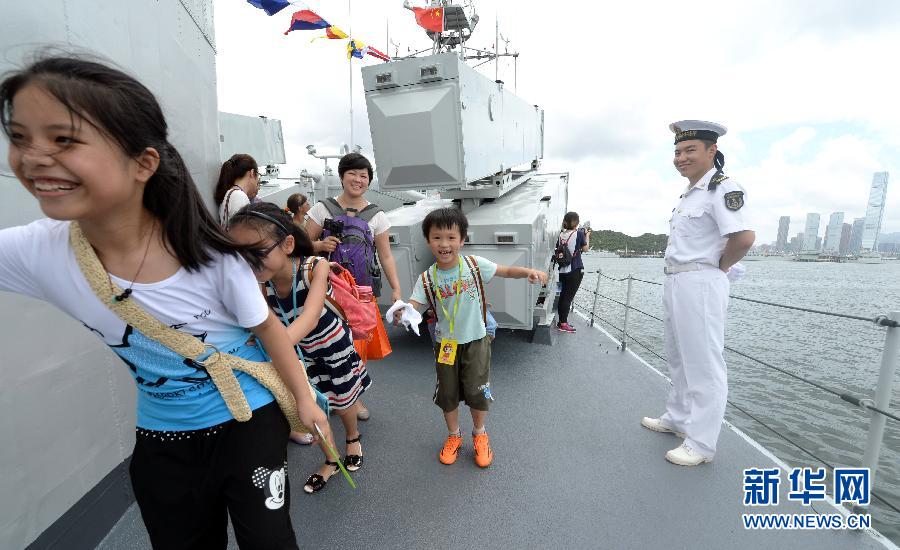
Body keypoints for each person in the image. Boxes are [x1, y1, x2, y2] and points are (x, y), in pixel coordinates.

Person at [0, 56, 331, 547]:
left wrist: (305, 400)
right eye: (20, 137)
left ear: (144, 163)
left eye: (63, 138)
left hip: (249, 419)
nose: (33, 157)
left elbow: (268, 331)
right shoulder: (38, 253)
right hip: (163, 434)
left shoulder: (214, 257)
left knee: (269, 541)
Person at [228, 202, 371, 494]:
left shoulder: (315, 267)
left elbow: (308, 318)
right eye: (241, 255)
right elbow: (261, 322)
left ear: (288, 243)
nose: (250, 261)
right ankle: (331, 459)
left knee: (342, 398)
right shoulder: (260, 283)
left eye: (258, 250)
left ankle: (352, 437)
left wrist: (274, 346)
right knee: (314, 403)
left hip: (331, 345)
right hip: (299, 354)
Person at [393, 208, 547, 468]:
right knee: (448, 394)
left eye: (451, 237)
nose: (444, 244)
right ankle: (454, 436)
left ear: (462, 240)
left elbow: (506, 271)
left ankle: (479, 433)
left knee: (477, 393)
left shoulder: (474, 265)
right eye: (437, 237)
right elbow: (413, 305)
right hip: (445, 345)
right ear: (428, 241)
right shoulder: (426, 278)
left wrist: (528, 272)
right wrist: (402, 314)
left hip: (476, 341)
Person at [641, 120, 755, 466]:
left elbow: (744, 237)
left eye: (690, 150)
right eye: (677, 151)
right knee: (678, 354)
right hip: (677, 279)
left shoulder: (723, 188)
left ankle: (702, 444)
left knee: (704, 363)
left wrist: (718, 268)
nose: (681, 157)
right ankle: (678, 417)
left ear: (712, 151)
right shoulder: (691, 194)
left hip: (701, 281)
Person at [305, 152, 401, 421]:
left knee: (357, 347)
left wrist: (396, 288)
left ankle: (353, 397)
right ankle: (330, 394)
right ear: (342, 176)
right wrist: (320, 246)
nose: (358, 180)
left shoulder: (377, 215)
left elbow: (386, 255)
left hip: (360, 292)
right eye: (353, 174)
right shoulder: (321, 209)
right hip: (326, 291)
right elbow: (299, 243)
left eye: (364, 176)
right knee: (327, 345)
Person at [555, 212, 591, 333]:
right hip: (575, 270)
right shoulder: (579, 234)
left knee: (562, 296)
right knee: (568, 298)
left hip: (562, 270)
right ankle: (563, 324)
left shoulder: (560, 235)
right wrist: (587, 236)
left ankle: (561, 321)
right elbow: (585, 249)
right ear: (576, 222)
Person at [215, 153, 260, 229]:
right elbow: (244, 231)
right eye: (258, 174)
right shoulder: (239, 196)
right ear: (252, 173)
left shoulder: (232, 193)